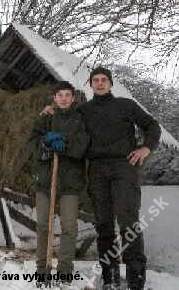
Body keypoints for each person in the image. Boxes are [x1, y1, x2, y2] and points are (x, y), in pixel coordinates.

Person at [43, 67, 161, 290]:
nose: (99, 83)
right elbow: (65, 116)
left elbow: (151, 125)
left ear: (110, 83)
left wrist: (146, 148)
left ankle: (136, 277)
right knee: (104, 223)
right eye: (95, 80)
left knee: (128, 221)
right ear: (90, 84)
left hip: (124, 166)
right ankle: (110, 275)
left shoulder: (126, 105)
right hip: (96, 169)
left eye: (103, 80)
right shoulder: (84, 110)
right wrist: (51, 110)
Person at [30, 81, 89, 288]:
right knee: (44, 226)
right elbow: (33, 144)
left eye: (67, 95)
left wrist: (64, 144)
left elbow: (83, 146)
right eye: (60, 95)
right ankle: (42, 270)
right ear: (54, 98)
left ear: (73, 98)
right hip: (46, 182)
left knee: (69, 227)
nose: (63, 98)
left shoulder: (80, 119)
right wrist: (45, 142)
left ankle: (64, 271)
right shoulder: (46, 118)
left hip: (70, 183)